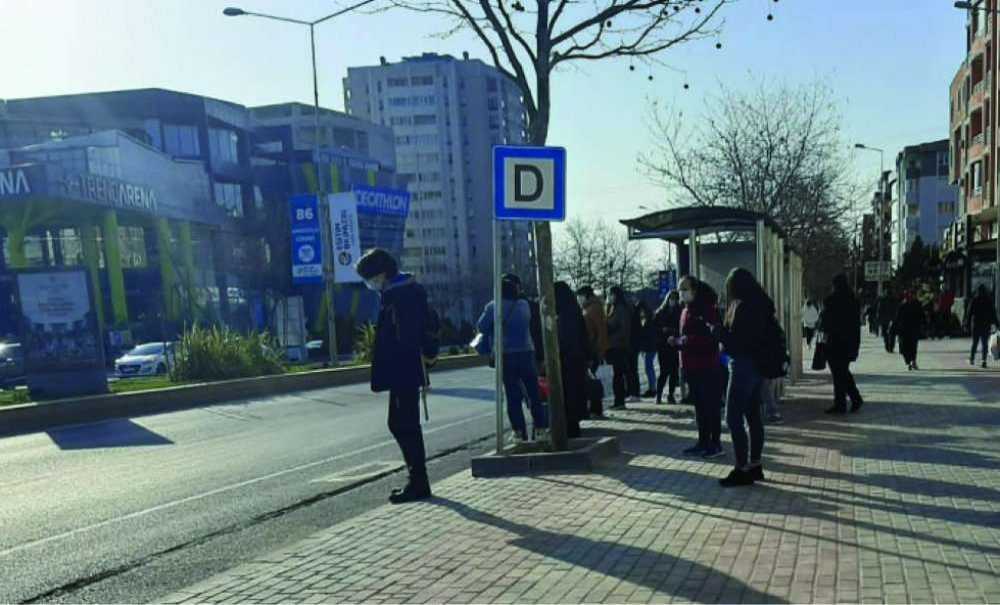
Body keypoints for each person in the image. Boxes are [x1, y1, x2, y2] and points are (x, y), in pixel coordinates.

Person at [356, 248, 438, 504]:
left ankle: (418, 482)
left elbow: (408, 334)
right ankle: (416, 479)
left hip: (405, 368)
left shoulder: (400, 295)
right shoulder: (403, 290)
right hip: (406, 368)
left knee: (404, 424)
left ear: (381, 274)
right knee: (401, 423)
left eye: (370, 278)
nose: (370, 284)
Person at [717, 268, 774, 486]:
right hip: (758, 367)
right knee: (753, 416)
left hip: (742, 366)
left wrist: (719, 332)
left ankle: (741, 469)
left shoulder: (742, 308)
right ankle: (755, 465)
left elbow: (738, 343)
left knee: (733, 417)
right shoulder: (761, 304)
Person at [477, 274, 548, 442]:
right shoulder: (524, 305)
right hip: (526, 353)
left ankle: (518, 431)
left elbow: (481, 326)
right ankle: (540, 428)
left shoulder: (493, 307)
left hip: (505, 355)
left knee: (512, 395)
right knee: (533, 393)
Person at [670, 276, 724, 459]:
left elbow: (710, 338)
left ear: (694, 290)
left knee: (711, 406)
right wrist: (678, 342)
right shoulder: (686, 310)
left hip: (707, 365)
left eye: (684, 289)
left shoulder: (707, 309)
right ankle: (703, 441)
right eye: (679, 290)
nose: (681, 293)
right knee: (700, 407)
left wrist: (685, 341)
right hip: (691, 365)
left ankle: (715, 443)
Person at [821, 274, 863, 415]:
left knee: (839, 373)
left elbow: (826, 323)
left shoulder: (831, 301)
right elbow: (857, 325)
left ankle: (843, 403)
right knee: (843, 372)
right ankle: (852, 399)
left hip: (835, 342)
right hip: (850, 342)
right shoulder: (853, 300)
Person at [554, 281, 591, 438]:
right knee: (575, 393)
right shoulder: (574, 310)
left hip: (567, 359)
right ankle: (573, 425)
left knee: (568, 394)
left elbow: (565, 338)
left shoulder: (564, 314)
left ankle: (570, 428)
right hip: (577, 358)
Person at [577, 286, 609, 419]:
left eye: (579, 296)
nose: (578, 299)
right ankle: (596, 409)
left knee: (593, 381)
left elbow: (599, 331)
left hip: (593, 350)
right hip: (594, 349)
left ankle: (595, 410)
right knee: (593, 380)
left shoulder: (592, 309)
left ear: (585, 296)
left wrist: (598, 350)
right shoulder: (593, 307)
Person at [606, 287, 633, 409]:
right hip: (616, 345)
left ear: (616, 295)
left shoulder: (621, 309)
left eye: (610, 294)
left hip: (619, 346)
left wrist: (611, 334)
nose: (609, 297)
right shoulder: (614, 308)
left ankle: (620, 401)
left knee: (618, 375)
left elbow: (623, 329)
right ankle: (619, 400)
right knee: (617, 375)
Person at [653, 290, 682, 405]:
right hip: (663, 346)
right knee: (664, 371)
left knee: (674, 372)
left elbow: (682, 329)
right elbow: (655, 329)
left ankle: (671, 394)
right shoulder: (660, 312)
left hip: (675, 345)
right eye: (671, 298)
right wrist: (662, 332)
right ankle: (659, 394)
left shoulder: (680, 312)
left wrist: (672, 332)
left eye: (675, 299)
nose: (673, 301)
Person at [965, 285, 998, 368]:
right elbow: (993, 314)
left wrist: (967, 324)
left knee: (975, 343)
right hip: (986, 325)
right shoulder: (989, 300)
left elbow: (969, 313)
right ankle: (984, 360)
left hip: (976, 324)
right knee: (984, 344)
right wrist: (997, 324)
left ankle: (972, 359)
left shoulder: (974, 300)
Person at [895, 291, 925, 371]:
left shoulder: (917, 304)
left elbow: (922, 316)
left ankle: (912, 361)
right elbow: (897, 318)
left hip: (913, 329)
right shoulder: (902, 305)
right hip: (904, 329)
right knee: (904, 347)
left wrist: (922, 325)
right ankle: (909, 361)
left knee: (913, 346)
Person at [635, 302, 658, 398]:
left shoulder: (649, 320)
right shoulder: (649, 318)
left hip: (650, 347)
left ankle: (652, 389)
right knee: (649, 368)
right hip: (650, 347)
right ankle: (652, 388)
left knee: (649, 368)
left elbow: (648, 335)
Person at [627, 299, 644, 401]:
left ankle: (634, 393)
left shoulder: (632, 316)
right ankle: (635, 393)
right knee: (634, 370)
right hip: (635, 346)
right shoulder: (637, 315)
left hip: (632, 346)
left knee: (632, 370)